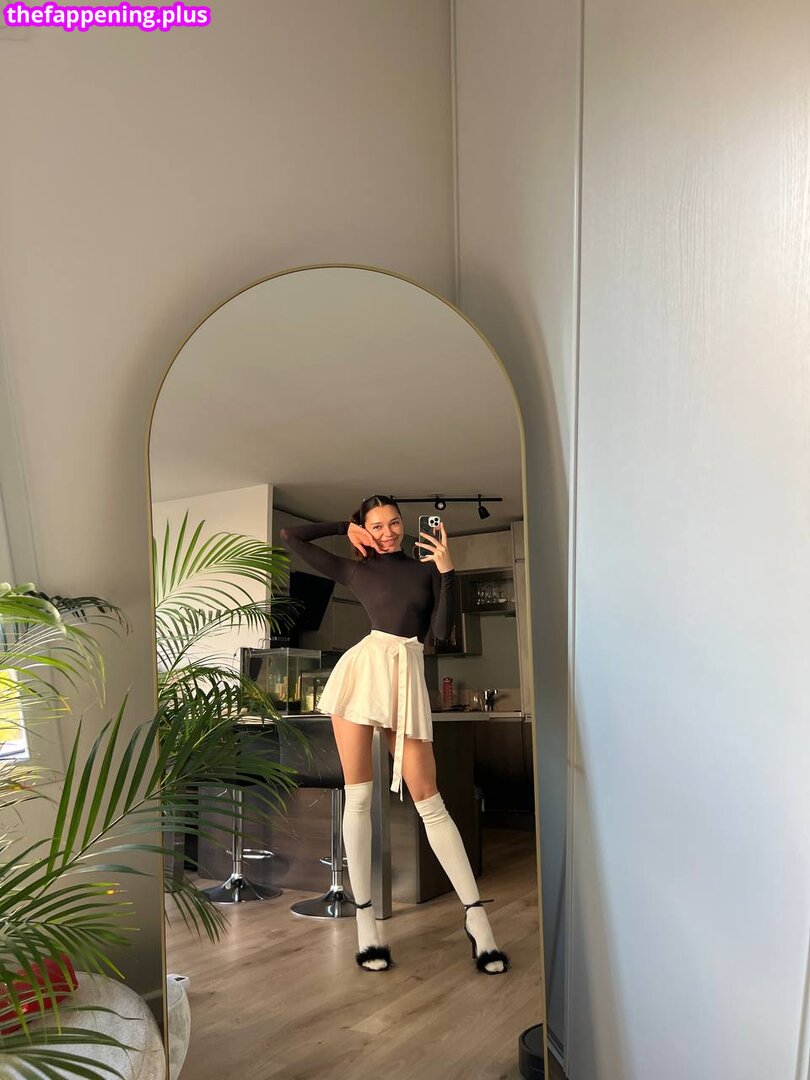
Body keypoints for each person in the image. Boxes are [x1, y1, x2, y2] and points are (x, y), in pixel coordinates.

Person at [279, 495, 510, 975]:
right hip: (362, 674)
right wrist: (343, 526)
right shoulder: (355, 569)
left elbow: (440, 634)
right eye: (377, 525)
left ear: (405, 526)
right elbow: (291, 537)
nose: (387, 532)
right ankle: (366, 922)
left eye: (394, 523)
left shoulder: (427, 569)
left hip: (405, 676)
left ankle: (477, 918)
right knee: (359, 797)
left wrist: (447, 570)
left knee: (431, 802)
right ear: (366, 528)